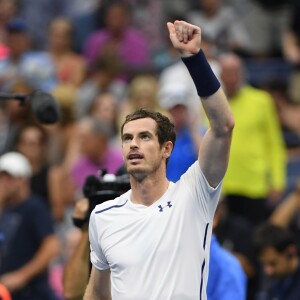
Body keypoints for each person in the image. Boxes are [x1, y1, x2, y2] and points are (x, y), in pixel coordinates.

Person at [83, 20, 234, 299]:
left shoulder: (194, 195)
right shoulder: (103, 217)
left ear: (167, 149)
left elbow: (223, 126)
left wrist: (194, 59)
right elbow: (97, 292)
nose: (134, 145)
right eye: (128, 138)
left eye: (145, 137)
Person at [219, 53, 287, 226]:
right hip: (223, 184)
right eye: (226, 72)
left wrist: (278, 180)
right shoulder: (214, 103)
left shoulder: (261, 101)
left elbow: (274, 143)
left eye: (234, 72)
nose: (230, 77)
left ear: (242, 73)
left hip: (255, 182)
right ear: (220, 75)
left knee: (254, 235)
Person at [0, 151, 60, 300]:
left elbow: (52, 246)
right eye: (2, 177)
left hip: (32, 293)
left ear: (24, 180)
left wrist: (21, 276)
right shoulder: (5, 209)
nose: (5, 182)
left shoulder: (34, 207)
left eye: (10, 177)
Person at [253, 222, 300, 300]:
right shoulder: (274, 284)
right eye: (264, 264)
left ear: (290, 251)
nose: (268, 271)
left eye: (273, 263)